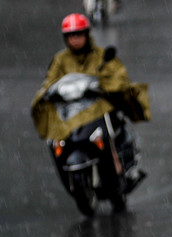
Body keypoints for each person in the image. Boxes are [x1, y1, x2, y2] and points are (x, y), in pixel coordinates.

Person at [30, 13, 148, 186]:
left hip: (97, 108)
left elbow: (118, 76)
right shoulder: (60, 60)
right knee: (54, 137)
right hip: (71, 111)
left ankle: (123, 167)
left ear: (86, 34)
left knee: (113, 123)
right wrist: (47, 92)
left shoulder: (101, 55)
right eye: (71, 36)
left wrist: (107, 86)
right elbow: (50, 81)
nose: (75, 39)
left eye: (78, 35)